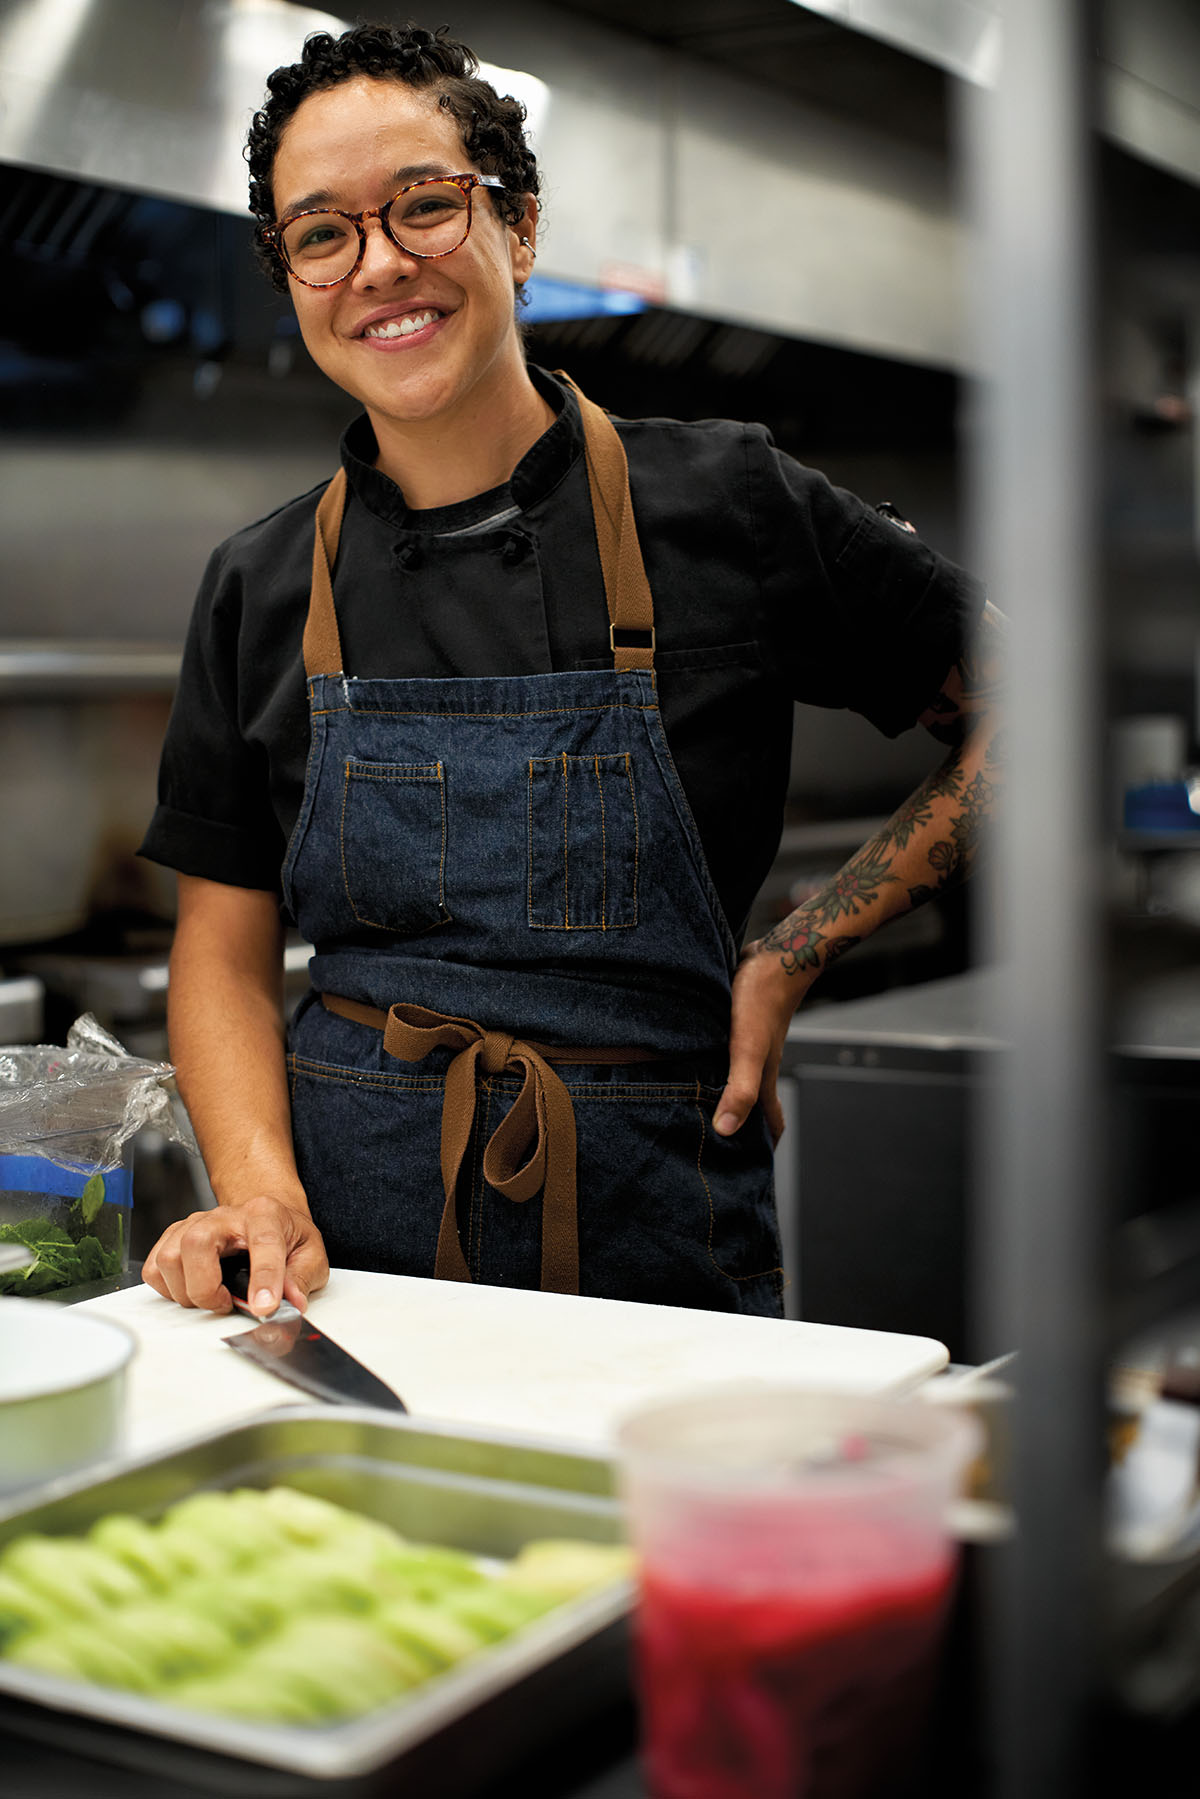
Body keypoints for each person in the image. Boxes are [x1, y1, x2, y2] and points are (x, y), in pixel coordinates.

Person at [139, 22, 1001, 1323]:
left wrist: (796, 949)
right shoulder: (258, 584)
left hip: (659, 1233)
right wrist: (259, 1189)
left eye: (424, 206)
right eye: (322, 234)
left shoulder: (726, 500)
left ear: (520, 226)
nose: (378, 265)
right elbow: (220, 942)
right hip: (344, 1263)